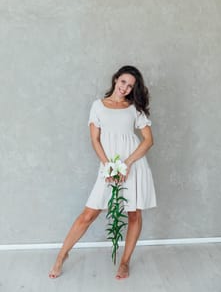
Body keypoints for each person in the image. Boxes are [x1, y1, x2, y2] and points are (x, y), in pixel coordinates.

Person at [49, 65, 157, 280]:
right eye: (123, 82)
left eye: (131, 86)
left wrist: (126, 164)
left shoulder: (134, 108)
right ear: (116, 79)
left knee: (134, 213)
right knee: (88, 214)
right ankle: (62, 256)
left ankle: (125, 263)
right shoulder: (98, 106)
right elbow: (95, 140)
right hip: (108, 166)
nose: (125, 88)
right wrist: (109, 166)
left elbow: (148, 140)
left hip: (133, 165)